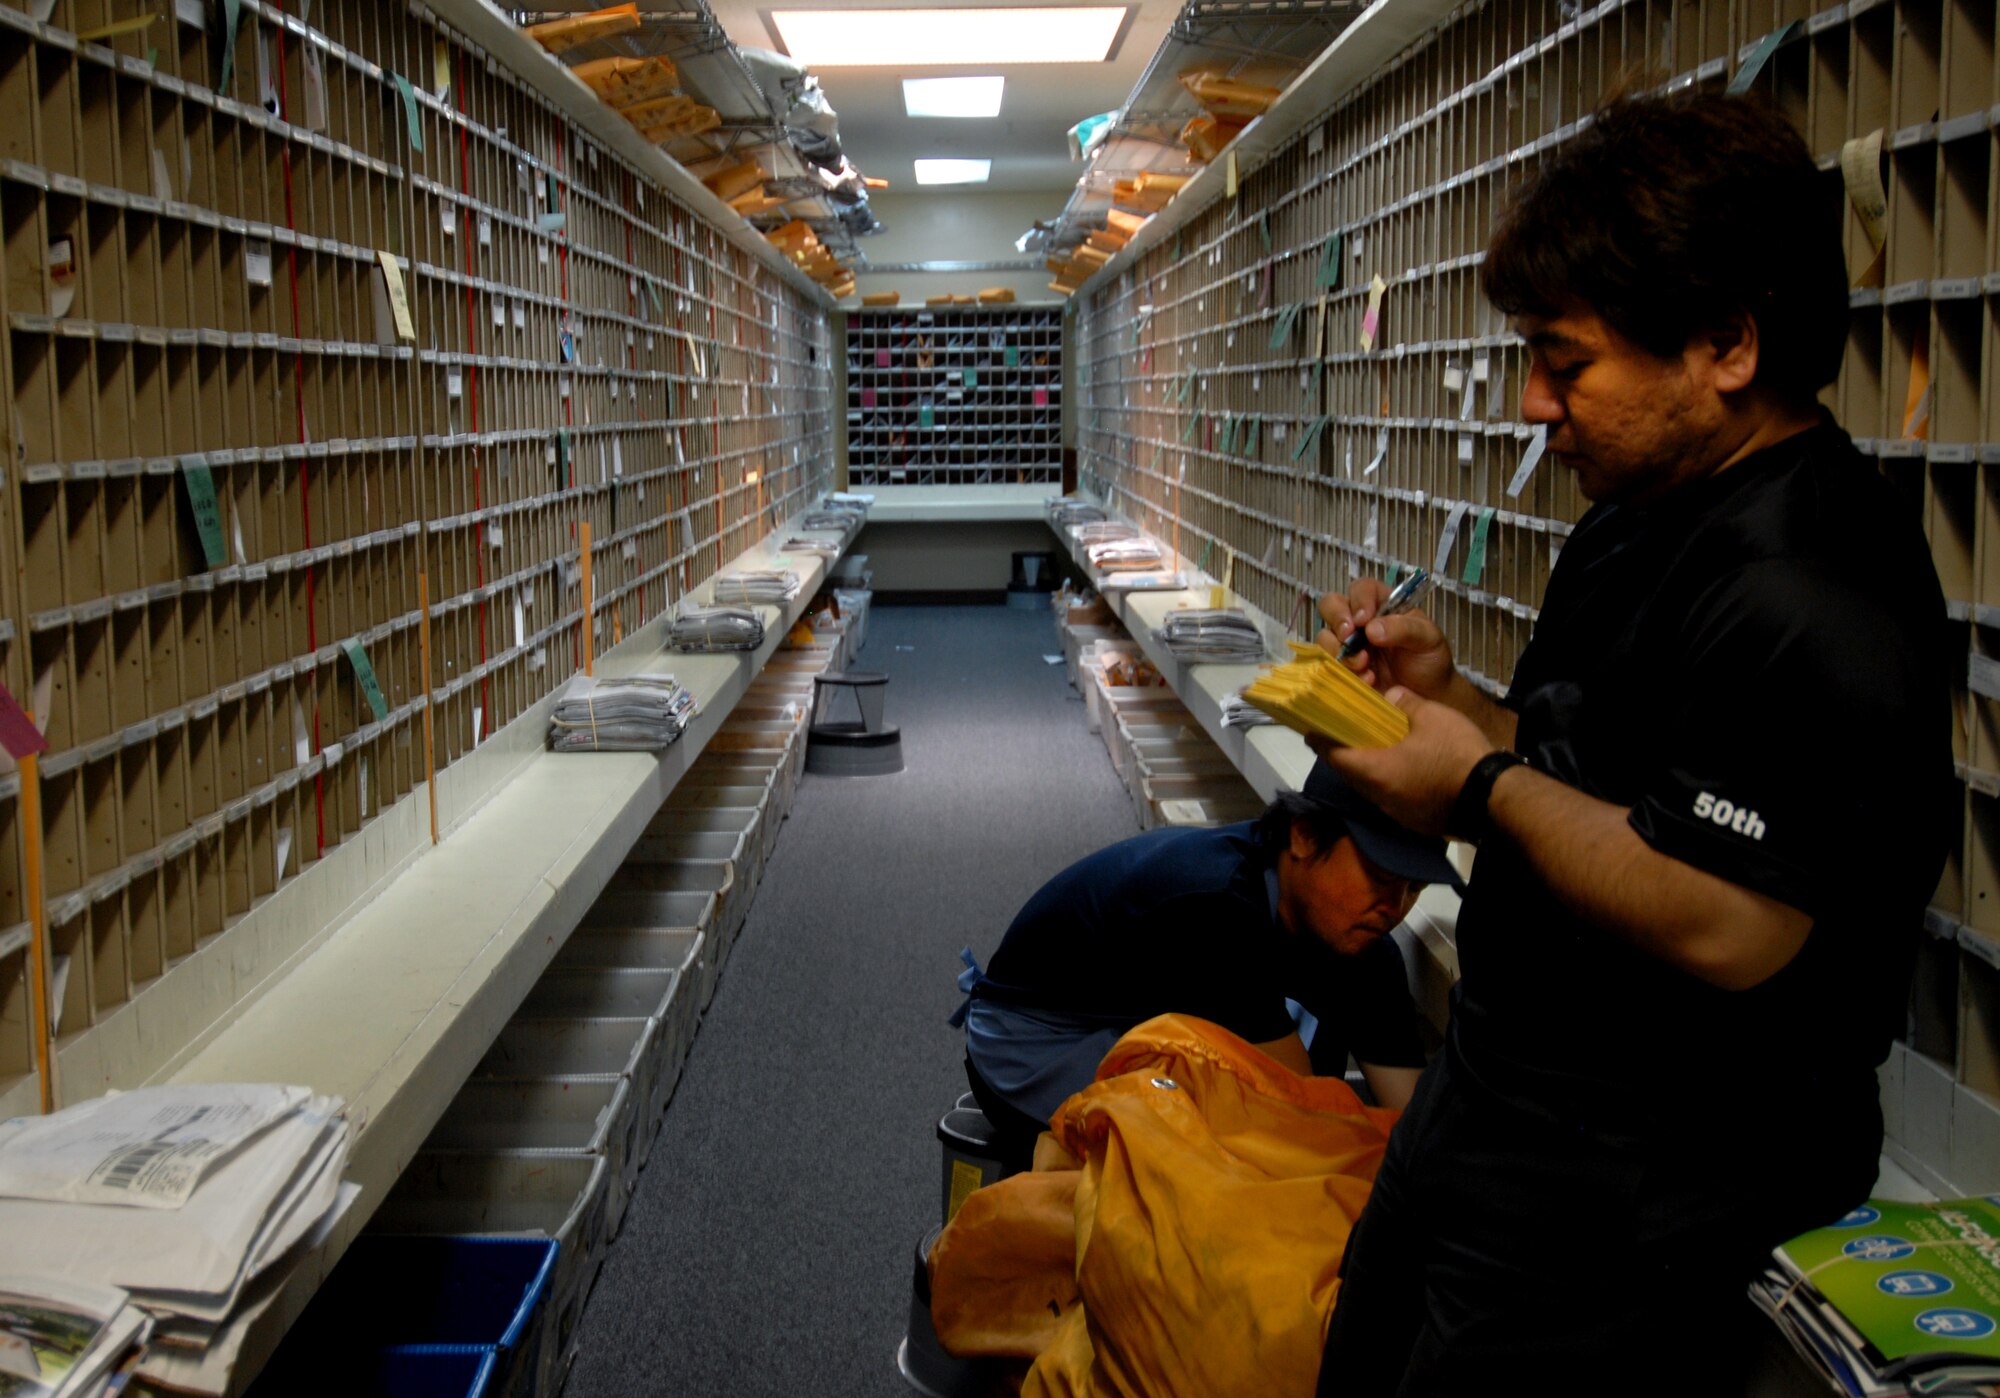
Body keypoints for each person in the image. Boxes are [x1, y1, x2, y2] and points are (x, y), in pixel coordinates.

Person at [1311, 92, 1955, 1394]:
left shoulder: (1811, 585)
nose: (1534, 403)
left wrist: (1474, 779)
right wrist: (1456, 709)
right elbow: (1593, 780)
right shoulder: (1643, 508)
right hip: (1497, 1111)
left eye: (1567, 361)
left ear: (1726, 344)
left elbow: (1729, 919)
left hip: (1635, 1201)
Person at [952, 761, 1461, 1164]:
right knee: (1252, 1152)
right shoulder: (1215, 906)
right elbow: (1302, 1117)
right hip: (1028, 1042)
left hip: (1130, 1018)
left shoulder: (1367, 939)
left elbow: (1409, 1119)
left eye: (1413, 888)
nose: (1394, 908)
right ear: (1304, 837)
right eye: (1379, 876)